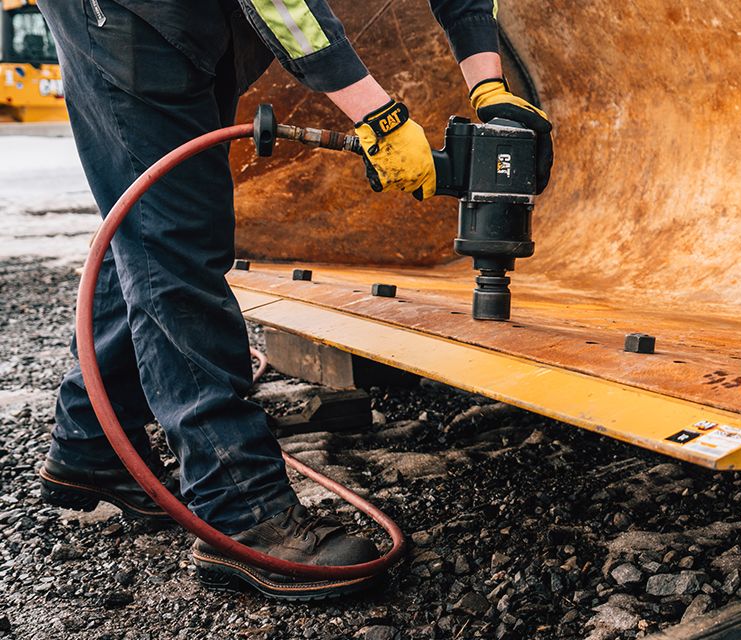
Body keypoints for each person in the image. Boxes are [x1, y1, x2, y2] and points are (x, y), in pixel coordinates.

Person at [35, 0, 552, 601]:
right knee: (175, 239)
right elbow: (283, 4)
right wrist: (379, 117)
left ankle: (93, 445)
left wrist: (490, 88)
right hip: (127, 15)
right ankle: (240, 509)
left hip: (200, 23)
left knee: (150, 219)